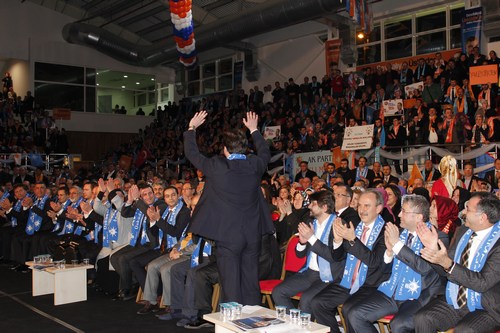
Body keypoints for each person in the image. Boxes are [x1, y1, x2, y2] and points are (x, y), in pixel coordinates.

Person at [183, 111, 274, 305]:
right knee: (250, 282)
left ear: (225, 150)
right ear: (245, 149)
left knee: (231, 284)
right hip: (252, 235)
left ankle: (233, 323)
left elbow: (192, 153)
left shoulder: (217, 167)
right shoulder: (255, 165)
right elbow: (265, 152)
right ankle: (252, 321)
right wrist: (254, 129)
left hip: (228, 236)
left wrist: (192, 128)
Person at [346, 195, 445, 333]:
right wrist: (389, 252)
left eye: (404, 211)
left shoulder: (437, 237)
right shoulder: (399, 233)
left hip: (418, 295)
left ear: (418, 217)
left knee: (398, 324)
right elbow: (385, 270)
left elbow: (424, 268)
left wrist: (397, 245)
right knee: (355, 314)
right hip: (392, 291)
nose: (399, 214)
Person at [415, 192, 500, 333]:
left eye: (468, 209)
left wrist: (448, 264)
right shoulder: (463, 231)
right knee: (422, 318)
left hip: (486, 305)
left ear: (482, 218)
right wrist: (434, 250)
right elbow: (446, 270)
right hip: (456, 297)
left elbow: (482, 283)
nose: (463, 212)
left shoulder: (497, 243)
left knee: (465, 330)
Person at [310, 189, 387, 333]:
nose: (362, 210)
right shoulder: (355, 225)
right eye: (360, 205)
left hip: (370, 284)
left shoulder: (385, 231)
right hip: (347, 279)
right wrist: (338, 241)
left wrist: (352, 239)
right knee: (317, 303)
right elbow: (338, 257)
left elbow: (374, 262)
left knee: (349, 310)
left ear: (378, 209)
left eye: (367, 206)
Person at [272, 191, 340, 316]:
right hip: (310, 273)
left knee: (306, 300)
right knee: (278, 292)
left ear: (324, 207)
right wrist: (302, 243)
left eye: (313, 204)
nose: (308, 206)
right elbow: (299, 255)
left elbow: (333, 256)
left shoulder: (338, 225)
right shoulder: (311, 223)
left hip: (328, 277)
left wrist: (311, 238)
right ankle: (295, 324)